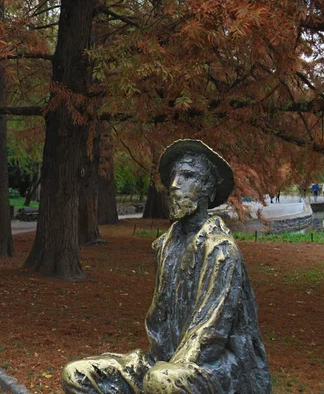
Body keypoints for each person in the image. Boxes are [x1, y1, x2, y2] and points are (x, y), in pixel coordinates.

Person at [62, 140, 271, 394]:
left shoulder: (221, 251)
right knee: (77, 375)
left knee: (161, 382)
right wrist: (149, 367)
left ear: (206, 188)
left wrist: (164, 372)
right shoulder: (165, 247)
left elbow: (208, 336)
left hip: (215, 372)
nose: (174, 185)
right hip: (162, 364)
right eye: (173, 177)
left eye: (187, 176)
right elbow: (159, 327)